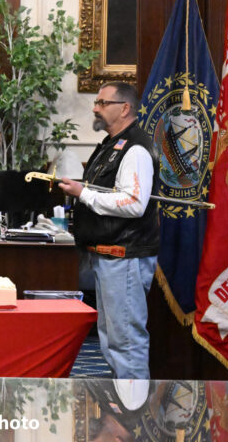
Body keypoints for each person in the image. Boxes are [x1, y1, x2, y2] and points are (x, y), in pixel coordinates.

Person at [58, 82, 160, 379]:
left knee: (125, 342)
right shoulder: (111, 145)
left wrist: (83, 193)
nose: (95, 108)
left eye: (102, 103)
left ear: (124, 108)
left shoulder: (136, 149)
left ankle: (133, 416)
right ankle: (125, 411)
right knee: (111, 339)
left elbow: (134, 203)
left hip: (124, 257)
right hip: (109, 256)